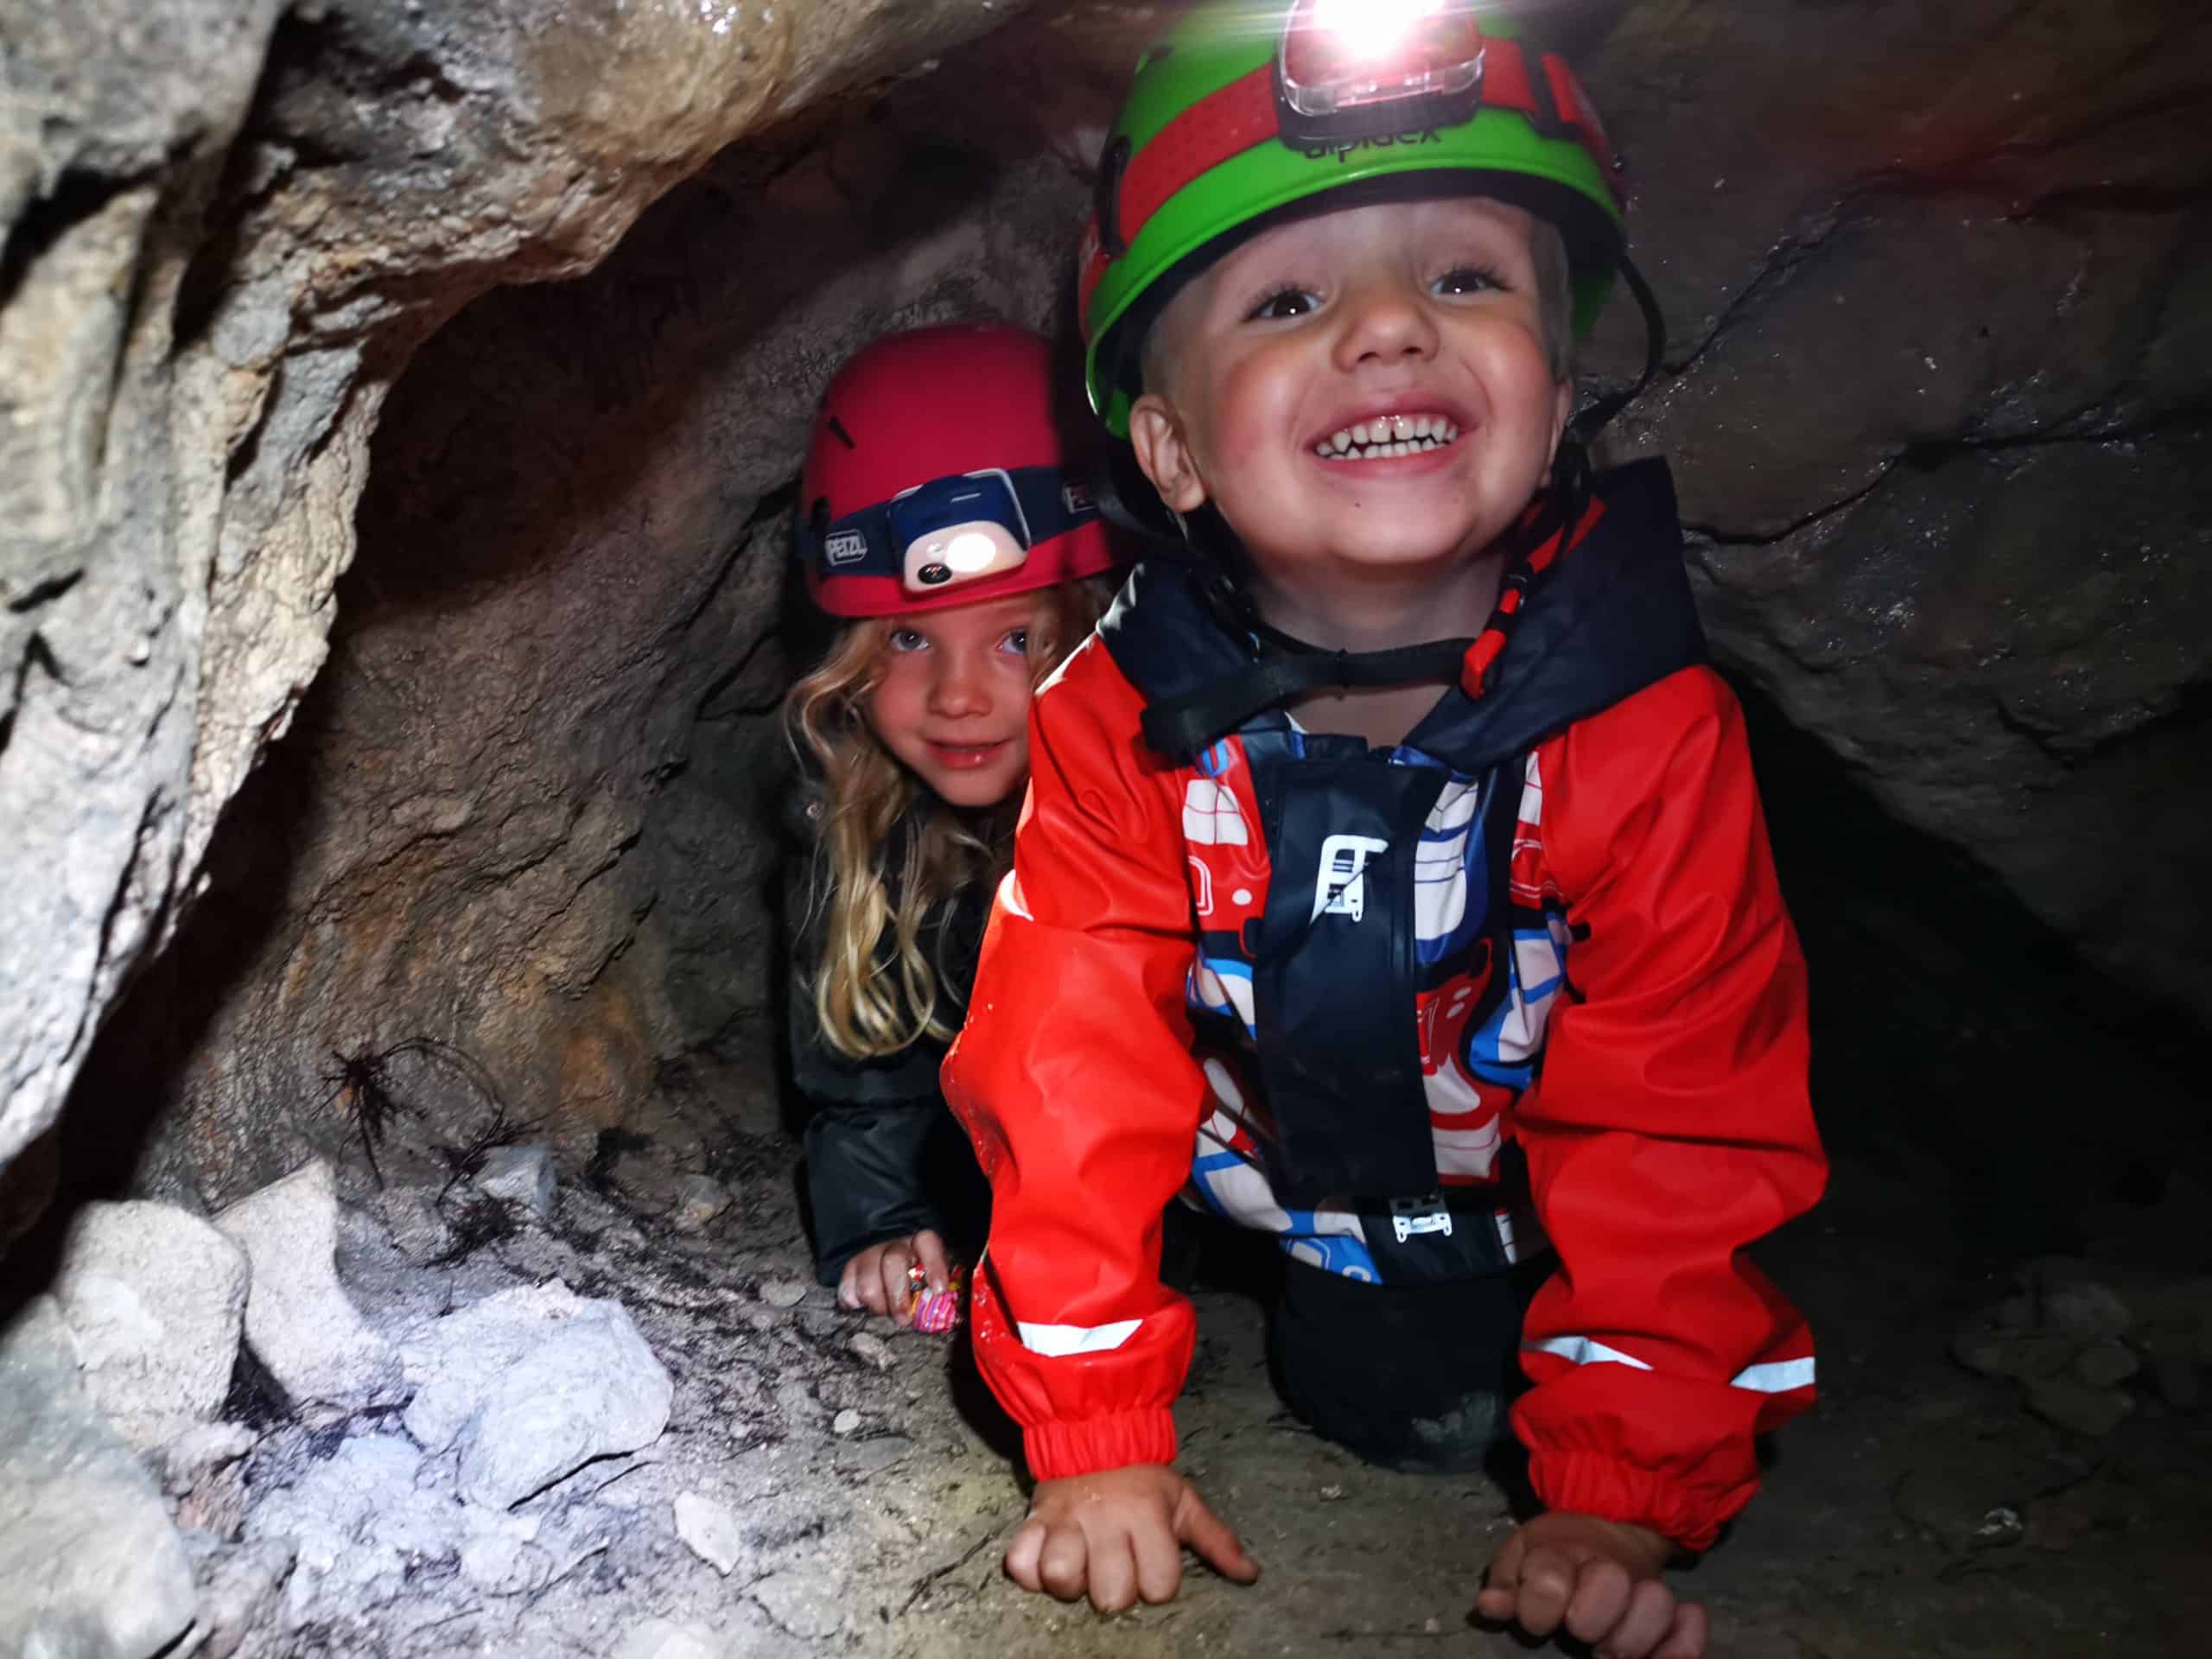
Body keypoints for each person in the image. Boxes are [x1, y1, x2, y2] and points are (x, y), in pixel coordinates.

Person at [941, 6, 1827, 1656]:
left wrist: (1619, 1489)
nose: (1392, 328)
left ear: (1559, 399)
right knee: (1372, 1401)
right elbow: (1066, 1077)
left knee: (1453, 1408)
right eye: (1288, 300)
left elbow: (1684, 1114)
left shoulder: (1645, 733)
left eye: (1467, 278)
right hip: (1293, 1201)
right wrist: (1095, 1433)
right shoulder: (1119, 722)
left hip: (1525, 1211)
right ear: (1169, 448)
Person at [783, 321, 1117, 1325]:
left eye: (1016, 638)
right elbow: (864, 1068)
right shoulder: (859, 821)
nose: (959, 698)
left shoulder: (1183, 797)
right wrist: (881, 1221)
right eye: (908, 640)